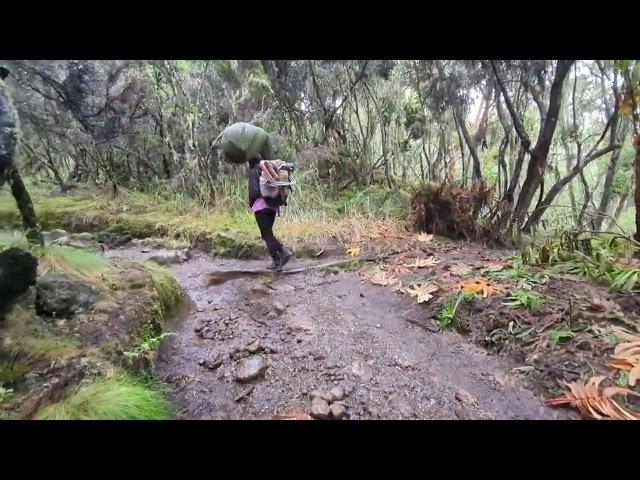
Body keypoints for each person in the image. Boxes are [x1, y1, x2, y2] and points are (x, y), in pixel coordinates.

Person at [221, 122, 293, 271]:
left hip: (261, 206)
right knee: (268, 233)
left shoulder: (254, 171)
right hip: (273, 204)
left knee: (266, 234)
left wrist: (251, 202)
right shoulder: (268, 169)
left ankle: (282, 253)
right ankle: (278, 261)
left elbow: (254, 192)